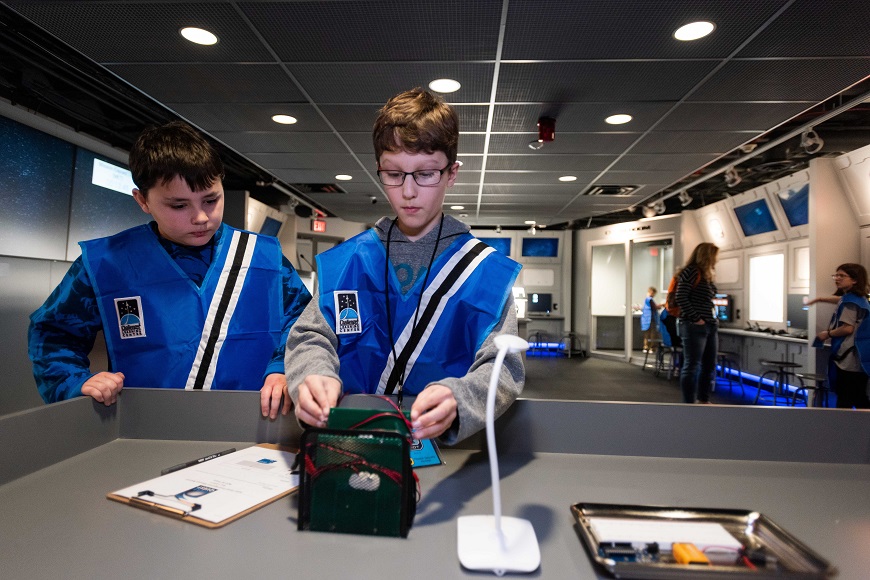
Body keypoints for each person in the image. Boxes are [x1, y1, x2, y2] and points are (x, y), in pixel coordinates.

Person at [267, 88, 524, 444]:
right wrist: (312, 373)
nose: (408, 191)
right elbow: (311, 336)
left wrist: (461, 398)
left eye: (426, 174)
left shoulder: (485, 273)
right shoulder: (350, 262)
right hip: (350, 439)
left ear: (452, 173)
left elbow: (503, 366)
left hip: (447, 446)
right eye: (393, 174)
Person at [29, 121, 311, 406]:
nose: (200, 217)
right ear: (143, 200)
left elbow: (304, 324)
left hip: (254, 421)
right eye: (179, 205)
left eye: (211, 199)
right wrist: (76, 381)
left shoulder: (263, 257)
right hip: (145, 427)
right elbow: (53, 334)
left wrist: (284, 368)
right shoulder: (106, 263)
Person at [807, 263, 870, 409]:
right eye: (836, 275)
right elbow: (839, 300)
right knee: (858, 395)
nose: (837, 278)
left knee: (846, 397)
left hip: (849, 359)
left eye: (842, 276)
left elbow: (848, 329)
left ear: (854, 280)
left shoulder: (850, 302)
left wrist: (826, 334)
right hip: (858, 359)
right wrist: (820, 299)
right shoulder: (858, 299)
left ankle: (842, 427)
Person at [675, 243, 719, 404]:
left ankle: (703, 400)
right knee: (692, 366)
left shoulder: (706, 275)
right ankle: (689, 403)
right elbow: (681, 296)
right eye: (715, 256)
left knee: (709, 365)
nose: (717, 260)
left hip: (709, 325)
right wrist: (696, 318)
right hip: (694, 326)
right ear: (707, 256)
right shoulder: (691, 272)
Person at [640, 286, 658, 352]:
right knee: (652, 334)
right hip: (650, 319)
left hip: (645, 319)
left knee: (646, 334)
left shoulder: (646, 300)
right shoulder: (650, 299)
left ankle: (646, 347)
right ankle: (652, 348)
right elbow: (655, 307)